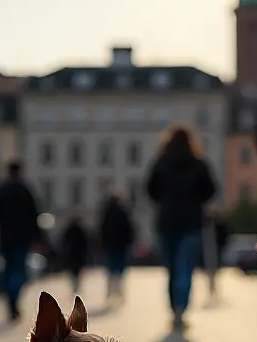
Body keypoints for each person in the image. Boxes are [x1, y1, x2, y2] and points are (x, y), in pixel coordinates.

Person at [146, 125, 218, 330]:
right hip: (191, 223)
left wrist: (166, 199)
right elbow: (210, 190)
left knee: (172, 270)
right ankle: (181, 309)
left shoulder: (161, 163)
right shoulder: (198, 164)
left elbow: (150, 190)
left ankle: (174, 309)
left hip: (167, 222)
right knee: (185, 268)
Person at [0, 160, 39, 322]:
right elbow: (34, 216)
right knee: (19, 270)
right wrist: (39, 238)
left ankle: (11, 302)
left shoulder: (1, 191)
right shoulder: (25, 191)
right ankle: (15, 299)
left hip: (6, 237)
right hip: (22, 237)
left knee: (9, 271)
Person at [98, 193, 135, 301]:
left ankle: (110, 290)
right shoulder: (123, 213)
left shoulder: (106, 213)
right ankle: (119, 290)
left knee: (110, 268)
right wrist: (129, 242)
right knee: (120, 268)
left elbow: (102, 230)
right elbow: (129, 229)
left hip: (110, 245)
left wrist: (102, 244)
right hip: (121, 245)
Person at [202, 207, 229, 300]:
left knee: (212, 271)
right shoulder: (208, 227)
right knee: (211, 271)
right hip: (212, 250)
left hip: (214, 250)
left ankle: (212, 288)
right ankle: (212, 288)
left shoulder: (214, 227)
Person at [60, 215, 90, 297]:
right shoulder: (78, 231)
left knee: (75, 272)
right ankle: (75, 285)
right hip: (75, 255)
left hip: (74, 255)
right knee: (76, 272)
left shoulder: (70, 231)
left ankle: (75, 285)